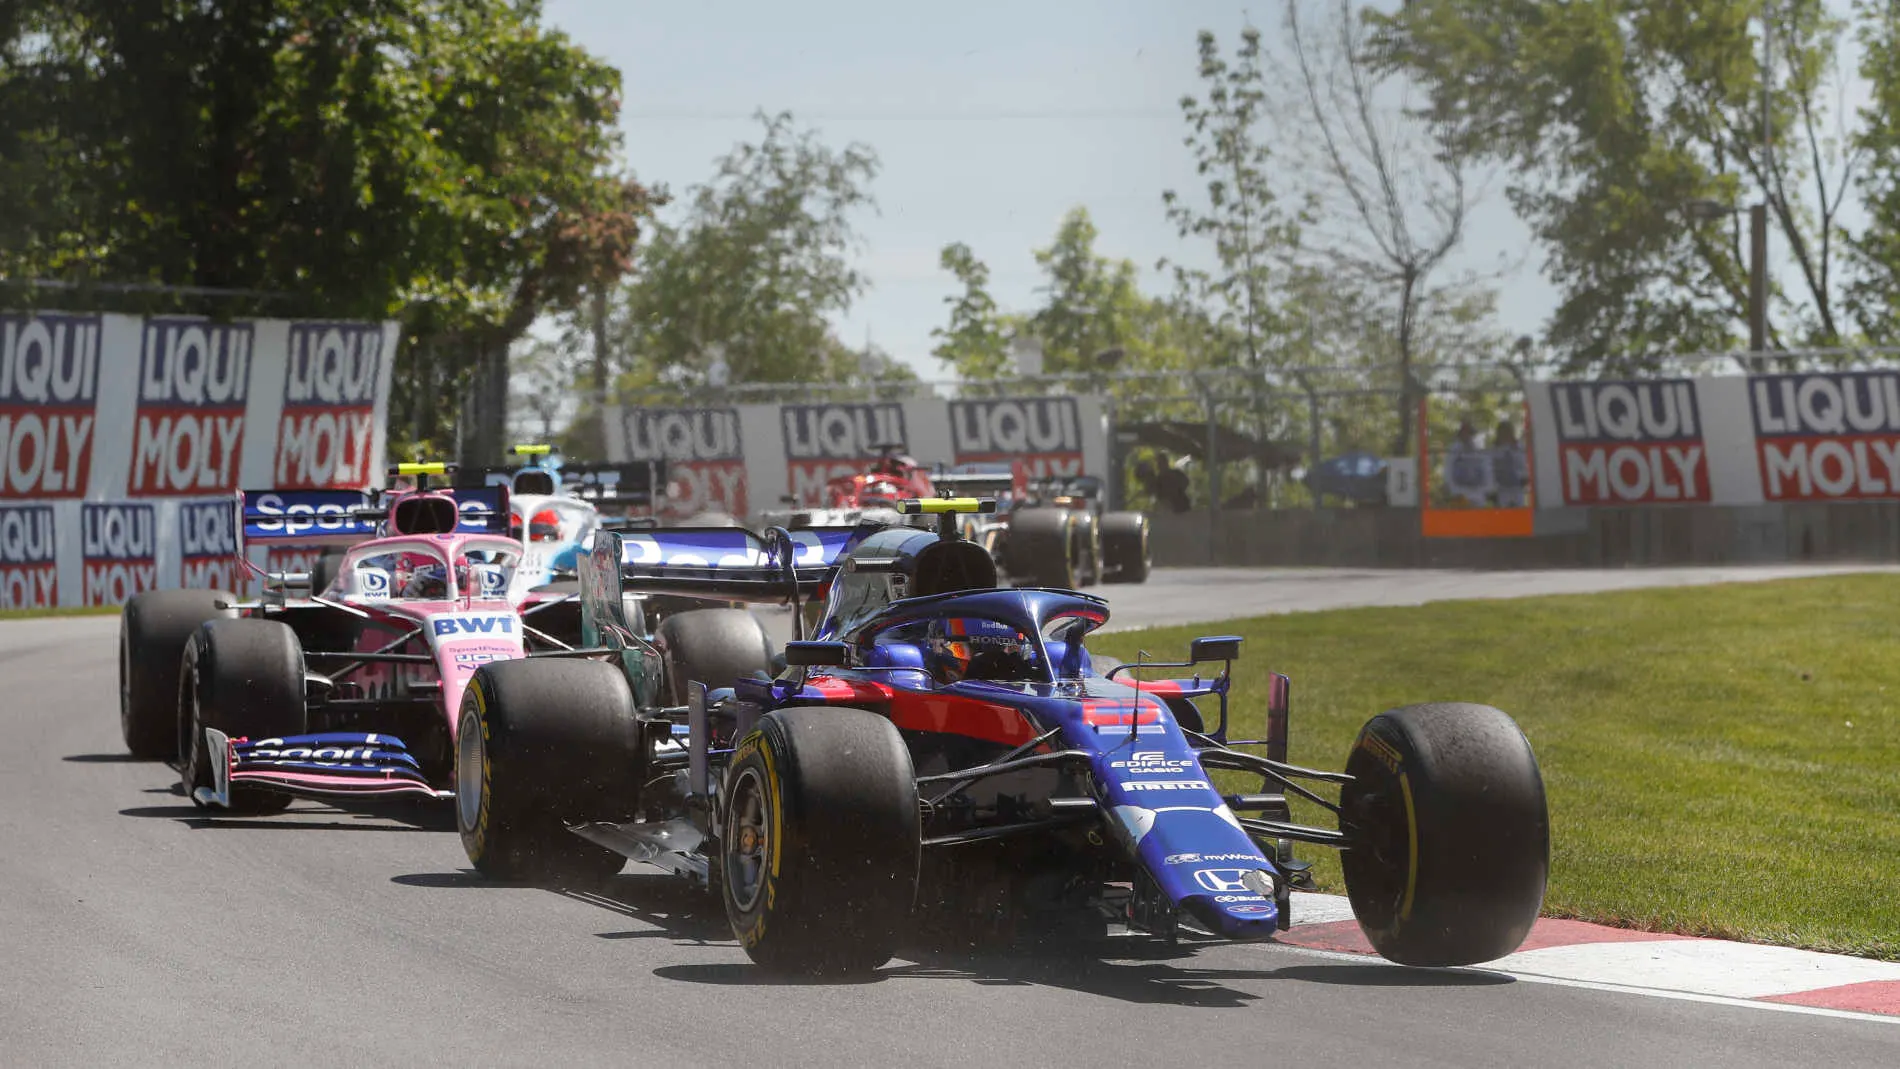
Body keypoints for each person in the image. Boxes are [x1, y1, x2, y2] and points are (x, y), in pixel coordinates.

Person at [1443, 419, 1494, 507]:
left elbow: (1487, 469)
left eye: (1469, 432)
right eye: (1464, 432)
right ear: (1460, 434)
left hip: (1478, 493)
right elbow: (1448, 470)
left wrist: (1487, 489)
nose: (1466, 435)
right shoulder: (1453, 449)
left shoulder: (1479, 448)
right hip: (1459, 492)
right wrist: (1452, 489)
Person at [1491, 420, 1529, 507]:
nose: (1505, 434)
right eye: (1502, 432)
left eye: (1507, 431)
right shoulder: (1494, 449)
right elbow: (1491, 468)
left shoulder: (1519, 446)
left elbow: (1524, 465)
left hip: (1518, 487)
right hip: (1501, 489)